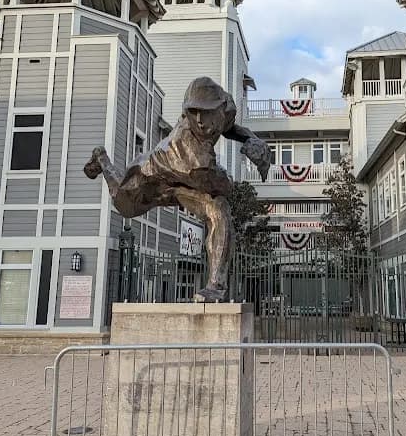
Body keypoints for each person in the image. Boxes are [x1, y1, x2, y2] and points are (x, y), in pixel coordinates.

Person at [84, 76, 271, 301]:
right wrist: (237, 171)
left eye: (206, 111)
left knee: (218, 210)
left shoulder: (226, 110)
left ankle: (215, 287)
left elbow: (230, 128)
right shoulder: (191, 152)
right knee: (125, 206)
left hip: (183, 184)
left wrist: (253, 140)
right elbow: (222, 184)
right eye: (193, 113)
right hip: (153, 178)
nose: (200, 121)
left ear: (221, 107)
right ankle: (102, 159)